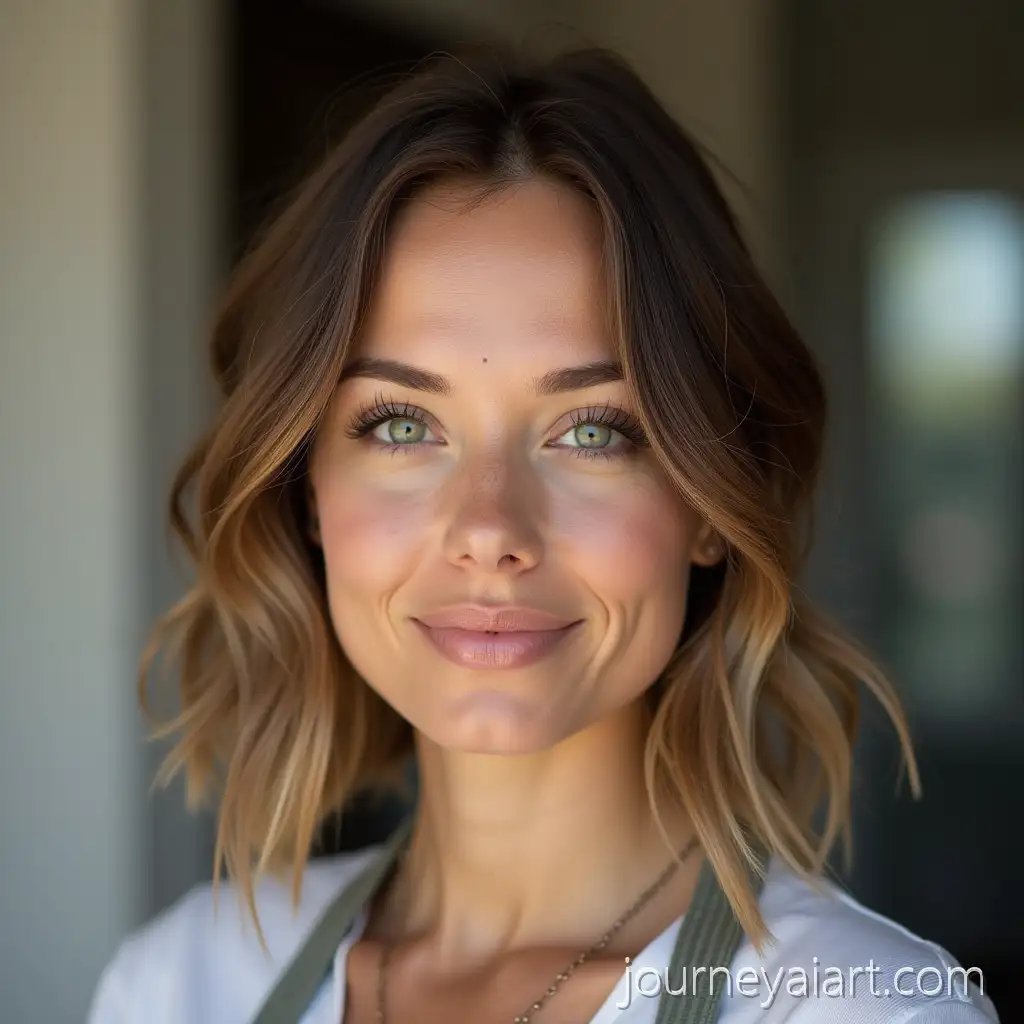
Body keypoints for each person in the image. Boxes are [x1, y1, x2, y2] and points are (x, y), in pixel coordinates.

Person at [87, 47, 999, 1024]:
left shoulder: (867, 1010)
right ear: (308, 490)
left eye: (593, 431)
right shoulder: (180, 985)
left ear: (707, 504)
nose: (489, 530)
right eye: (402, 424)